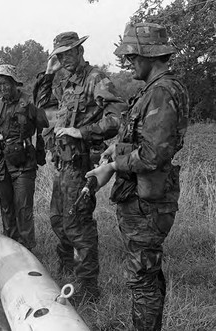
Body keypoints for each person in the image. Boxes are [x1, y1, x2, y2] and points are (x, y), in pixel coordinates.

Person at [86, 22, 189, 330]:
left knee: (142, 280)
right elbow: (145, 138)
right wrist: (116, 149)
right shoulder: (155, 91)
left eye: (132, 56)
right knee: (148, 274)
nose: (128, 62)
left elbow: (152, 154)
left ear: (149, 57)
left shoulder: (160, 92)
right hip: (145, 200)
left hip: (147, 204)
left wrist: (113, 166)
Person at [45, 31, 126, 304]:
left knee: (78, 223)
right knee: (58, 218)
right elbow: (41, 106)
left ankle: (89, 287)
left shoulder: (95, 78)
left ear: (80, 51)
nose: (65, 59)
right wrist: (48, 74)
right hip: (64, 164)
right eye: (60, 55)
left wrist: (82, 131)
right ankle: (67, 268)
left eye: (69, 53)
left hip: (83, 165)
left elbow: (118, 118)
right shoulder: (66, 83)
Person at [0, 64, 48, 250]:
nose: (3, 87)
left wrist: (39, 151)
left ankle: (27, 251)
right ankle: (11, 247)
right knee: (6, 207)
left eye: (6, 83)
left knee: (23, 208)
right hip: (2, 163)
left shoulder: (28, 103)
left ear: (14, 83)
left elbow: (43, 126)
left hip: (24, 163)